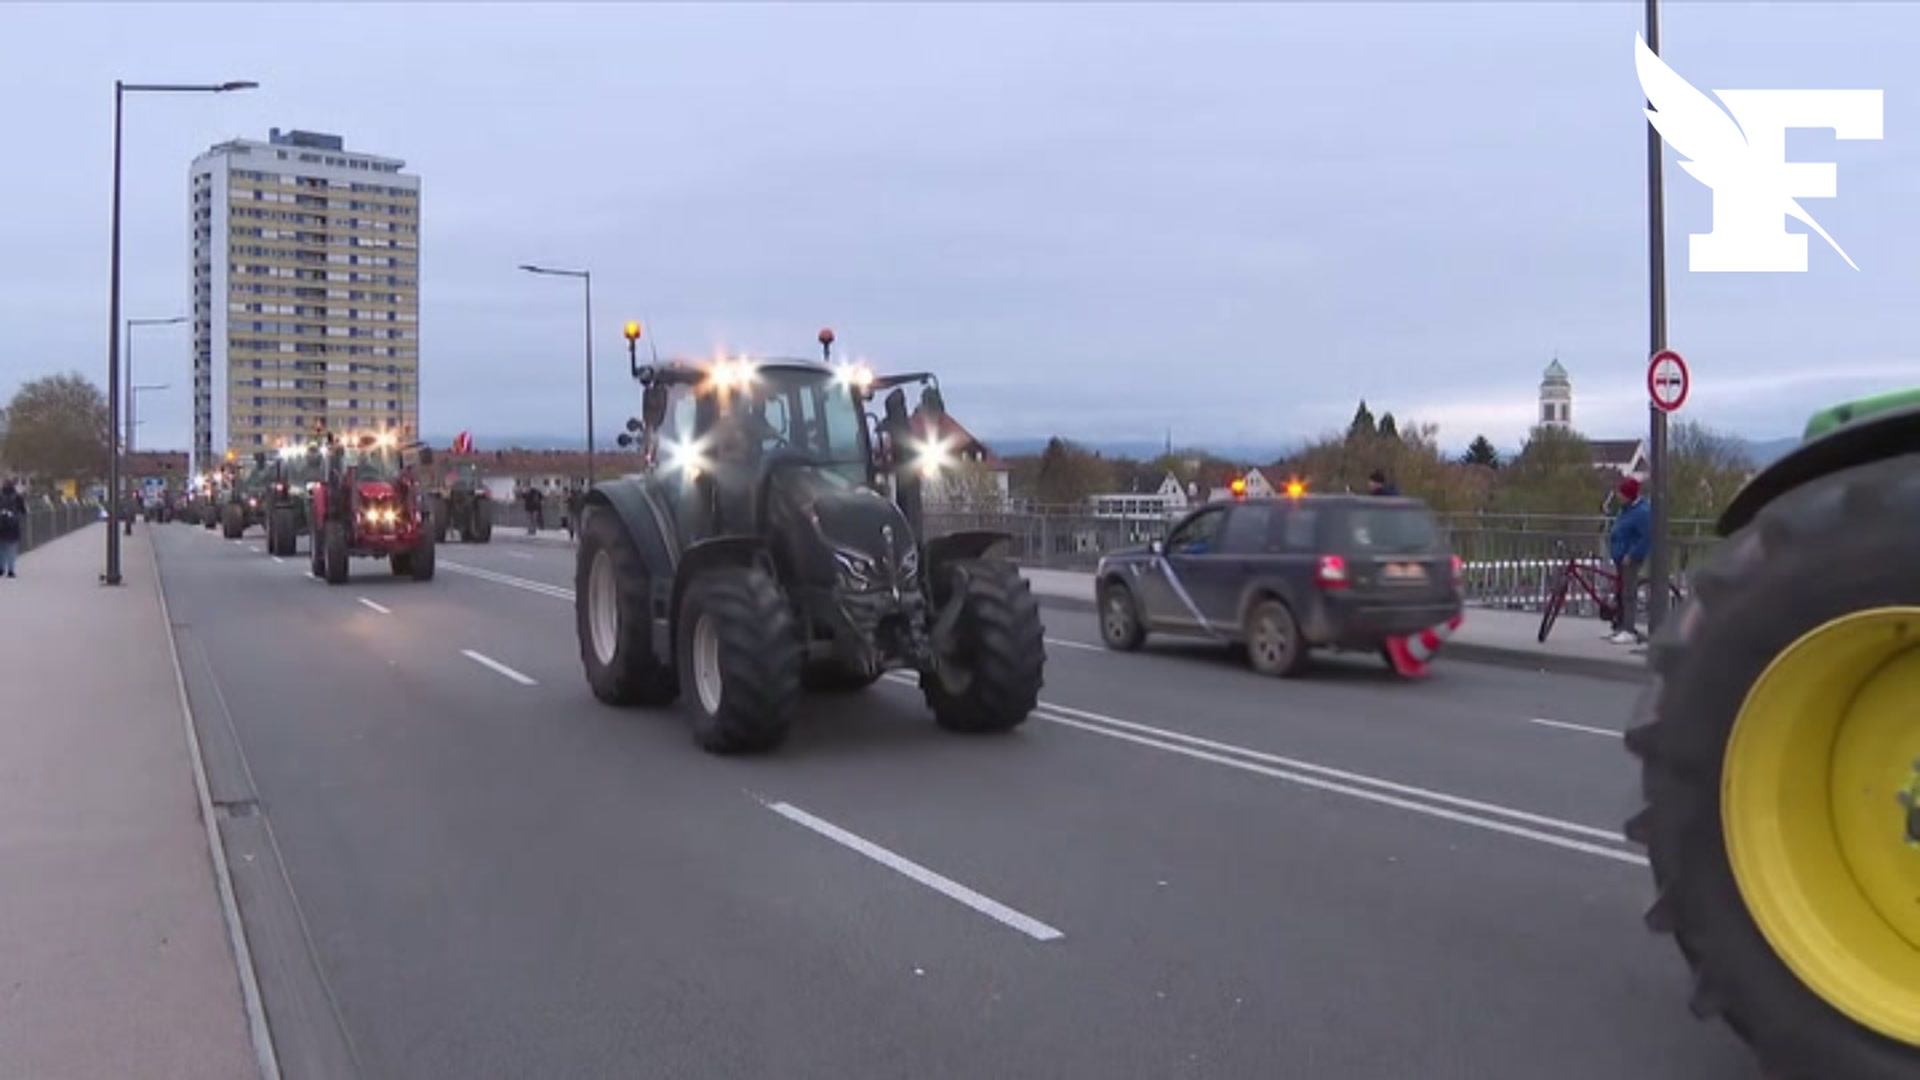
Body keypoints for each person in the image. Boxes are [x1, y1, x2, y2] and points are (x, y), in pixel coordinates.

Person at [1607, 475, 1652, 644]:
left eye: (1621, 494)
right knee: (1621, 593)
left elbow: (1646, 537)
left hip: (1630, 559)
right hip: (1620, 556)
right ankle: (1621, 626)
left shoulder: (1642, 512)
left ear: (1629, 495)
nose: (1618, 497)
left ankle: (1629, 629)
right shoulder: (1627, 509)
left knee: (1628, 594)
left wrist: (1632, 554)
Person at [0, 480, 26, 578]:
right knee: (11, 550)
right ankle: (11, 570)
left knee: (1, 549)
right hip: (13, 527)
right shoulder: (18, 497)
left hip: (1, 527)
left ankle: (1, 568)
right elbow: (23, 511)